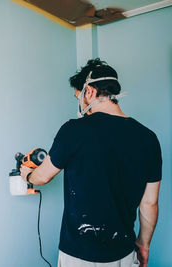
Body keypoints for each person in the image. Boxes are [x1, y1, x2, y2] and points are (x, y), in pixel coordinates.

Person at [20, 58, 162, 267]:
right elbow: (149, 203)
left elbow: (43, 176)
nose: (80, 103)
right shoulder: (148, 138)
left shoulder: (73, 130)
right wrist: (143, 245)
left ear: (89, 92)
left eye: (78, 97)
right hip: (123, 252)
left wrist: (27, 175)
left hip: (79, 255)